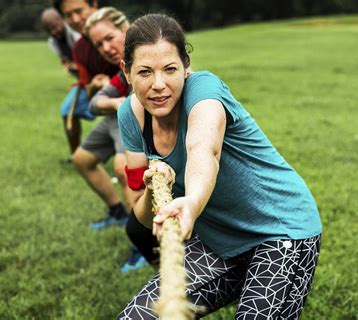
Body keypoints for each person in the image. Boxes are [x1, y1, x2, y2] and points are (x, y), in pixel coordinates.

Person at [117, 14, 322, 319]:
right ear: (126, 71)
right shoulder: (131, 116)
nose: (159, 85)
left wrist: (192, 203)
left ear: (185, 68)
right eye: (145, 72)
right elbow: (142, 216)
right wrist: (151, 189)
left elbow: (204, 150)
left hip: (281, 232)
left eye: (170, 69)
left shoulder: (204, 91)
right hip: (219, 241)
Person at [77, 7, 159, 272]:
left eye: (110, 38)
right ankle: (117, 212)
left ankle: (142, 241)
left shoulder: (148, 55)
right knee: (82, 159)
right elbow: (93, 104)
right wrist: (115, 101)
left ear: (126, 28)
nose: (105, 47)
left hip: (138, 120)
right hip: (118, 114)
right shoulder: (121, 68)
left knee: (124, 170)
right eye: (98, 43)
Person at [53, 0, 118, 160]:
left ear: (94, 5)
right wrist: (95, 87)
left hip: (132, 93)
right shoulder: (80, 48)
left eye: (79, 11)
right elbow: (89, 91)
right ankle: (76, 155)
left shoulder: (120, 31)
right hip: (104, 93)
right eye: (68, 15)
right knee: (68, 109)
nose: (75, 19)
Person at [41, 7, 80, 78]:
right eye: (49, 30)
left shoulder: (76, 33)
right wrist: (69, 66)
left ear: (62, 20)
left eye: (55, 27)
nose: (54, 32)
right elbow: (64, 59)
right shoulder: (52, 42)